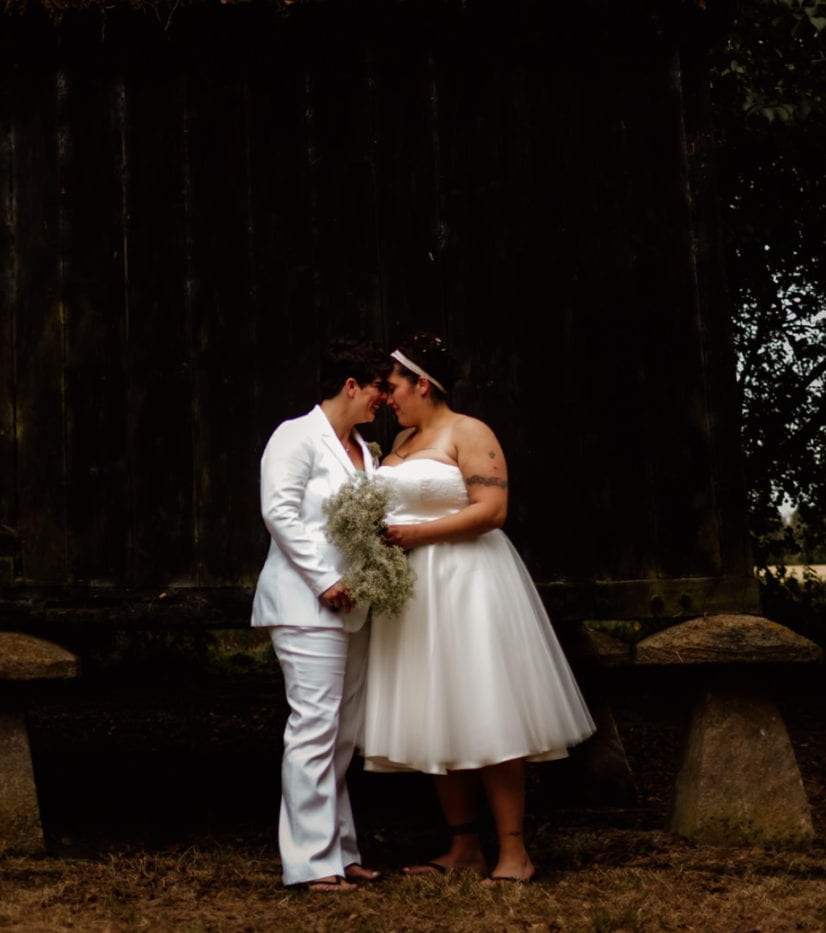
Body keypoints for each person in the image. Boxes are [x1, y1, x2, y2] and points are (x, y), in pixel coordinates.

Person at [362, 331, 594, 885]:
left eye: (393, 385)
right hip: (415, 593)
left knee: (487, 706)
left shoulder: (470, 432)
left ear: (423, 382)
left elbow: (492, 510)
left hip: (469, 585)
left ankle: (514, 851)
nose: (387, 396)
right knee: (438, 709)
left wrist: (418, 535)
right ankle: (462, 845)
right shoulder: (398, 446)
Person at [251, 337, 392, 890]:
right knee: (313, 727)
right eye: (379, 388)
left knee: (343, 734)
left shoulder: (362, 447)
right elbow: (278, 511)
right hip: (305, 602)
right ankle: (309, 862)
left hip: (353, 606)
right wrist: (325, 578)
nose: (384, 398)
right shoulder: (296, 435)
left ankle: (341, 850)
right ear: (351, 385)